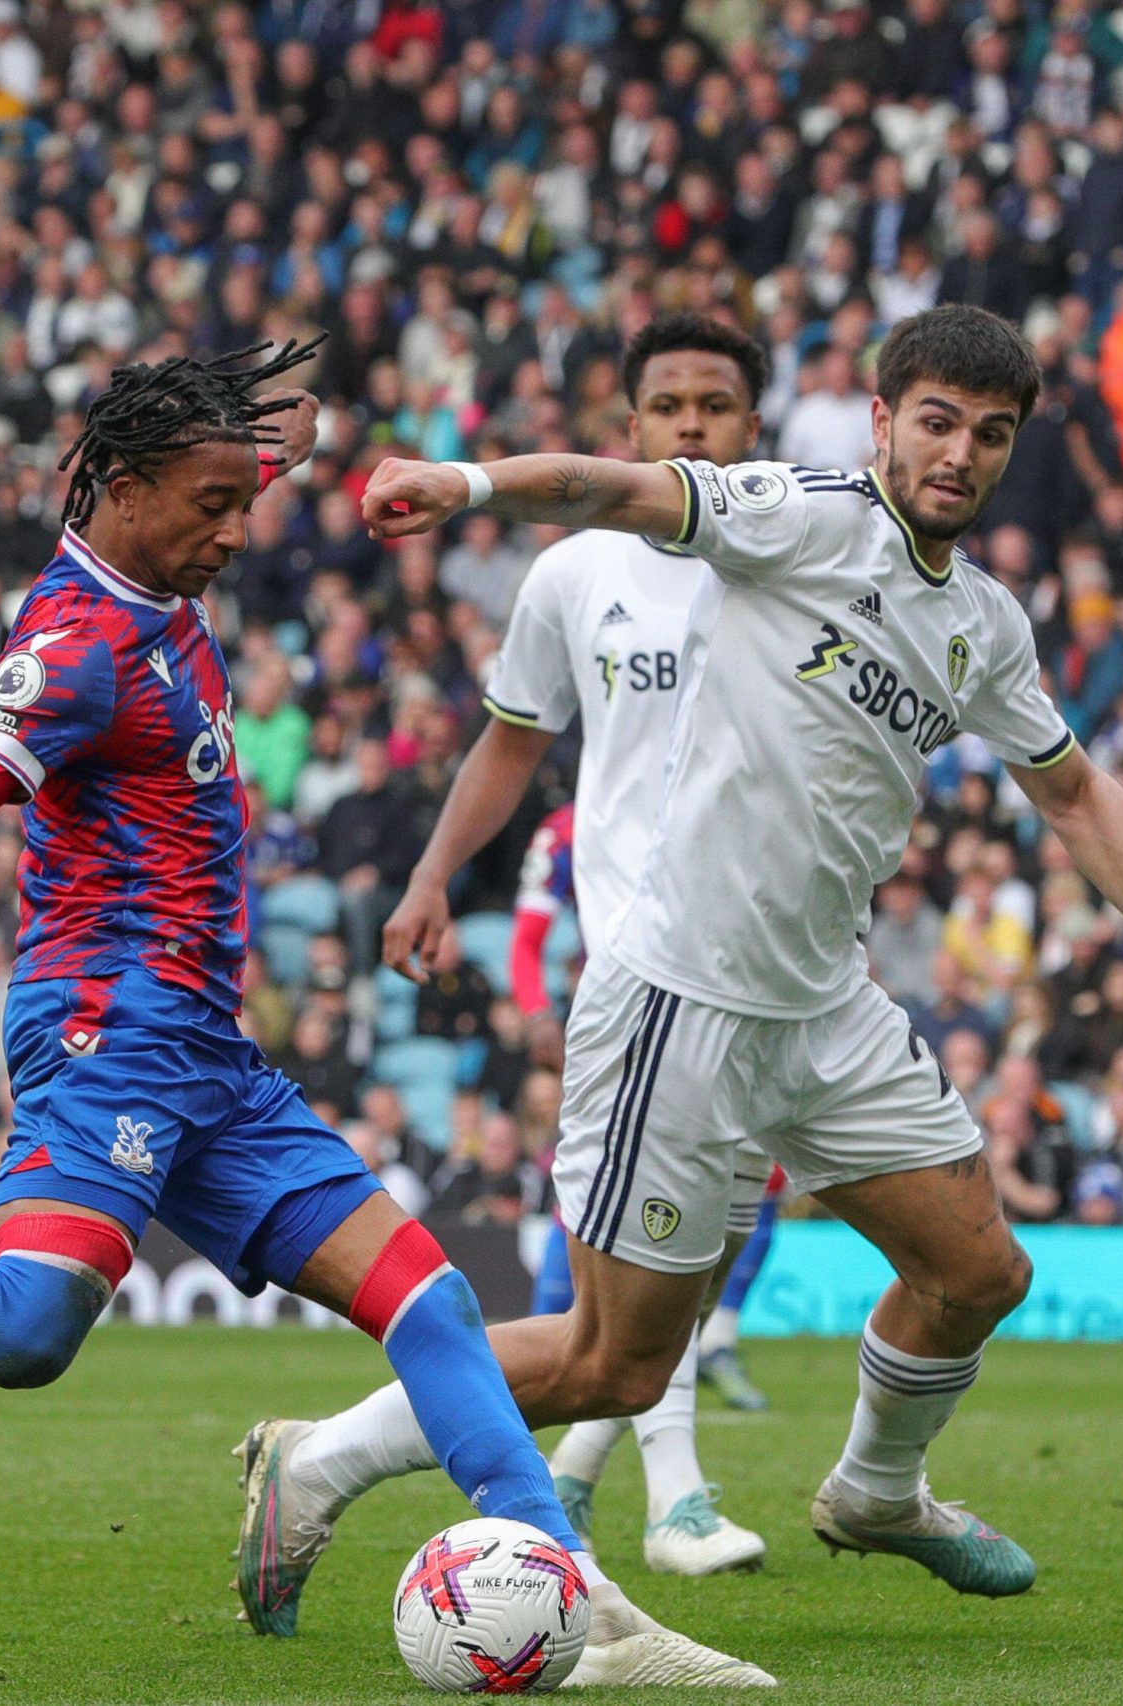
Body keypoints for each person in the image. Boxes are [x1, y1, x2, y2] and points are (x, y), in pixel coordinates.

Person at [0, 342, 765, 1688]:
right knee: (22, 1331)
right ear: (125, 485)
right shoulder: (74, 646)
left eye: (247, 501)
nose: (235, 530)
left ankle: (577, 1604)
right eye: (214, 503)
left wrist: (293, 448)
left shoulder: (157, 556)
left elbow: (238, 463)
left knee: (431, 1301)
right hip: (107, 1026)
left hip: (204, 1046)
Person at [252, 304, 1123, 1620]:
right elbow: (611, 485)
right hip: (681, 998)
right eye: (935, 422)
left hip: (824, 1005)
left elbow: (1076, 789)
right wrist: (463, 482)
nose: (959, 455)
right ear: (879, 422)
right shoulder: (797, 513)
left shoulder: (982, 620)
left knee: (980, 1273)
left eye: (990, 435)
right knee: (611, 1365)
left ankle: (874, 1488)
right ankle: (317, 1460)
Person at [284, 312, 777, 1584]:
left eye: (713, 406)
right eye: (665, 404)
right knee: (647, 1284)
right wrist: (434, 874)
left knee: (680, 1273)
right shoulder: (575, 573)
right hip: (642, 963)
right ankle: (676, 1500)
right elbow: (511, 740)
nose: (688, 425)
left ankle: (468, 1464)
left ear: (752, 426)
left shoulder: (793, 553)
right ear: (628, 429)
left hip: (779, 968)